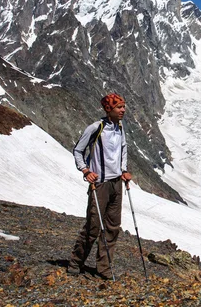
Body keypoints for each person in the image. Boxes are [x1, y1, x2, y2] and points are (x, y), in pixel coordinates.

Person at [67, 93, 132, 279]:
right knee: (94, 226)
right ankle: (75, 262)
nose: (123, 110)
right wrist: (86, 171)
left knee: (112, 227)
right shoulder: (96, 128)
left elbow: (123, 149)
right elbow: (78, 150)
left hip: (116, 183)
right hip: (100, 184)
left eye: (123, 106)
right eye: (119, 107)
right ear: (109, 109)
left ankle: (104, 267)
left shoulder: (120, 127)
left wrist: (123, 170)